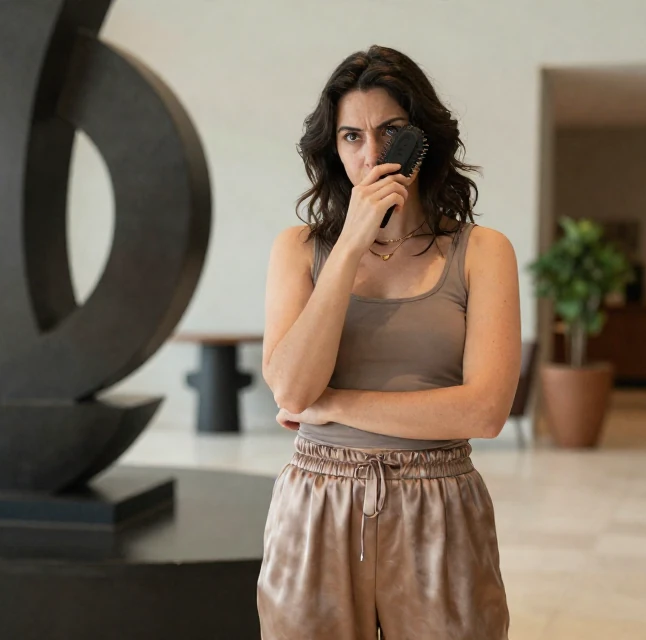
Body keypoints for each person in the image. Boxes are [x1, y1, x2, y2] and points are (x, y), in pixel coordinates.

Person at [256, 45, 521, 639]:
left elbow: (484, 411)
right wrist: (350, 245)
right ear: (333, 146)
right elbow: (292, 385)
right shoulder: (299, 250)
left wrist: (331, 405)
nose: (371, 154)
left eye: (390, 132)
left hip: (439, 503)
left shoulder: (483, 252)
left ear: (422, 139)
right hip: (317, 503)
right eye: (351, 136)